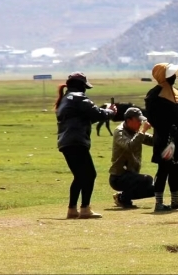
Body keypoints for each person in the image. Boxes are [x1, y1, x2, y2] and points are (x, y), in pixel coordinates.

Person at [55, 71, 117, 219]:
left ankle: (72, 209)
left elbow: (85, 118)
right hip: (77, 141)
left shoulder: (65, 99)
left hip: (66, 142)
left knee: (79, 176)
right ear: (81, 86)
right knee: (90, 174)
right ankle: (85, 209)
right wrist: (110, 112)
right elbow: (97, 114)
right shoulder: (79, 98)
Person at [144, 63, 178, 212]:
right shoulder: (153, 95)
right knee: (163, 170)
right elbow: (152, 118)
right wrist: (168, 129)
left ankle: (175, 201)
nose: (174, 77)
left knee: (176, 169)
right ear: (163, 76)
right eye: (170, 75)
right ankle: (159, 203)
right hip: (164, 139)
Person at [109, 107, 156, 208]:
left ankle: (122, 197)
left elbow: (152, 141)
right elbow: (130, 146)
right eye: (138, 121)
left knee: (156, 189)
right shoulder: (119, 132)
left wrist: (159, 130)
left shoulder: (134, 130)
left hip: (131, 175)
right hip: (119, 176)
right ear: (129, 120)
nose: (140, 123)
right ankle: (124, 199)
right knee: (147, 179)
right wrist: (143, 131)